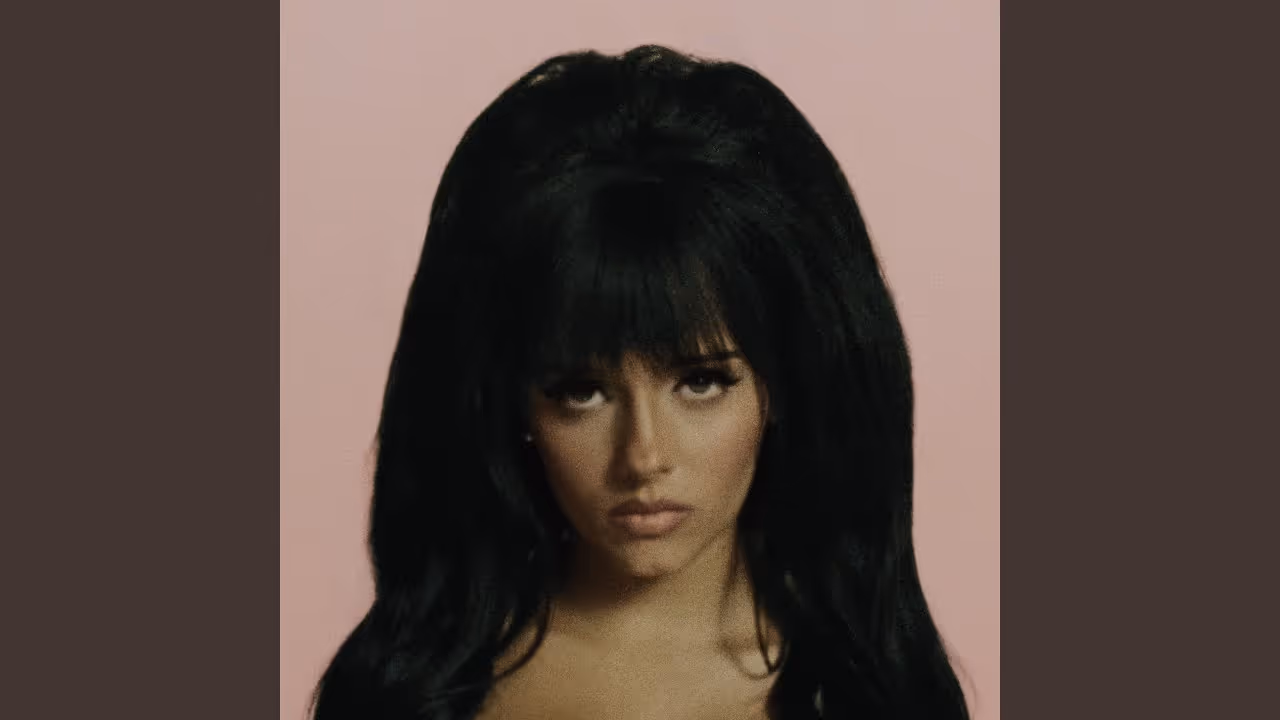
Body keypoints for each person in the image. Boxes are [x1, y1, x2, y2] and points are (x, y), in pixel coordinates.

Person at [310, 44, 971, 720]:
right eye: (581, 393)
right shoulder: (416, 696)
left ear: (782, 387)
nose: (644, 456)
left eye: (701, 382)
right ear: (512, 405)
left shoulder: (872, 697)